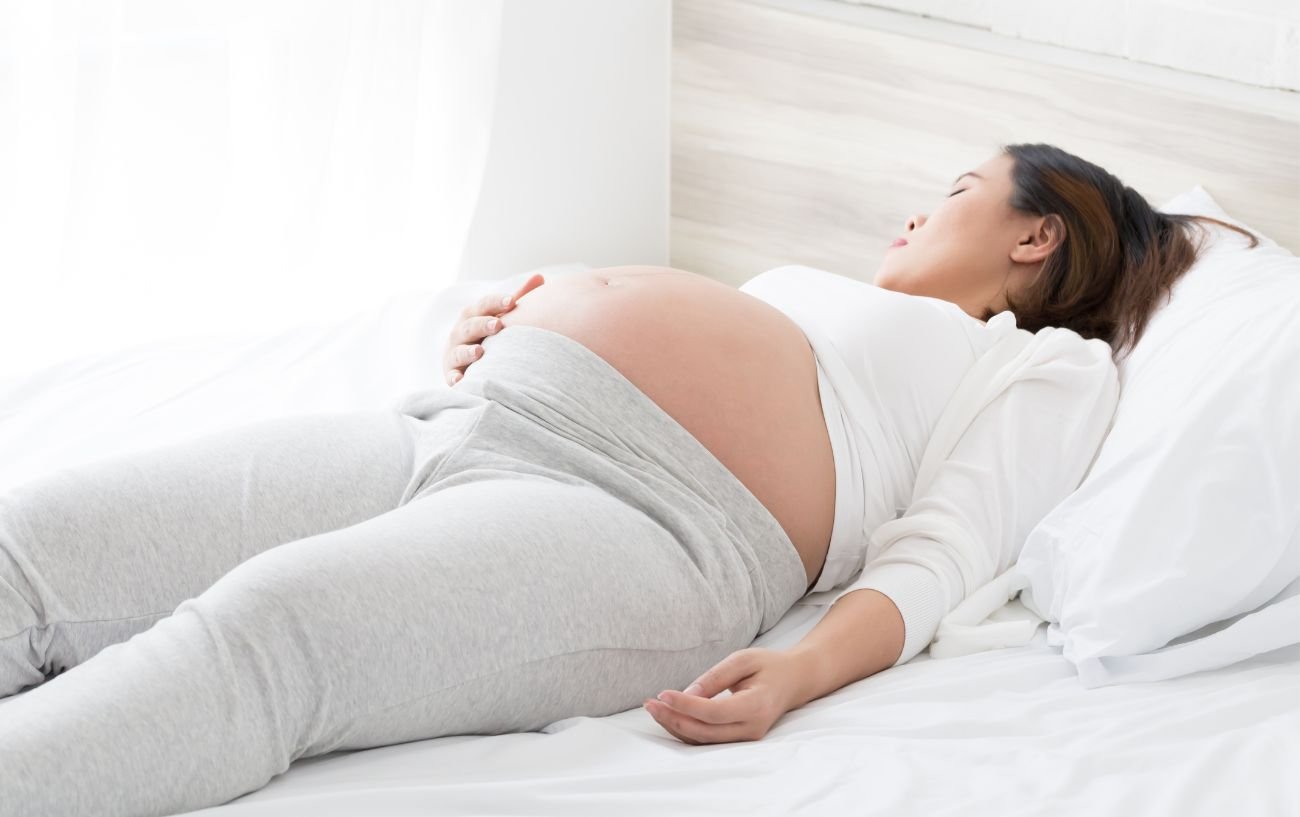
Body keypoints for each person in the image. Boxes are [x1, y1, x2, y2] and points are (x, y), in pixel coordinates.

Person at [0, 143, 1257, 816]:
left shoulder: (1038, 370)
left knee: (268, 633)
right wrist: (511, 328)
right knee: (36, 538)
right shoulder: (826, 295)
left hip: (652, 524)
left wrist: (810, 669)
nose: (911, 214)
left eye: (955, 192)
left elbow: (950, 543)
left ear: (1035, 233)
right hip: (468, 418)